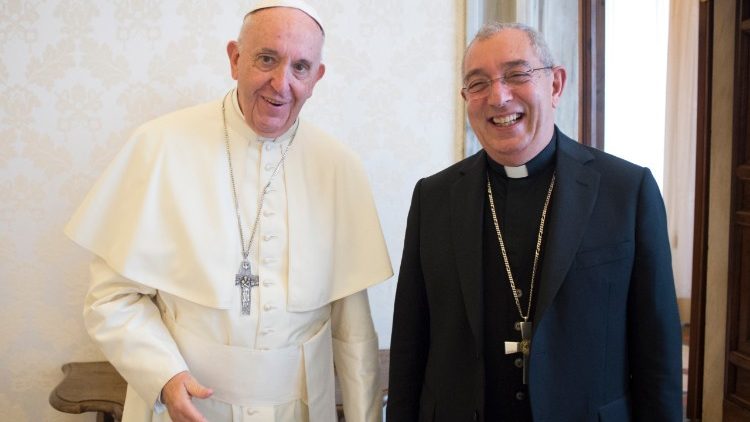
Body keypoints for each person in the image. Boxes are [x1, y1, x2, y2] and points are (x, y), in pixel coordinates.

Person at [65, 1, 392, 421]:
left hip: (302, 412)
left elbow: (353, 330)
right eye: (266, 59)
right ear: (235, 58)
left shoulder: (339, 166)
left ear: (317, 78)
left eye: (300, 67)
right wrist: (164, 376)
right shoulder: (161, 146)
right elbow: (111, 298)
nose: (281, 84)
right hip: (187, 408)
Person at [387, 22, 682, 422]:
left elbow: (658, 353)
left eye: (517, 74)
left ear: (556, 84)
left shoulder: (627, 192)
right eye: (478, 84)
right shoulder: (433, 198)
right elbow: (409, 344)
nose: (499, 97)